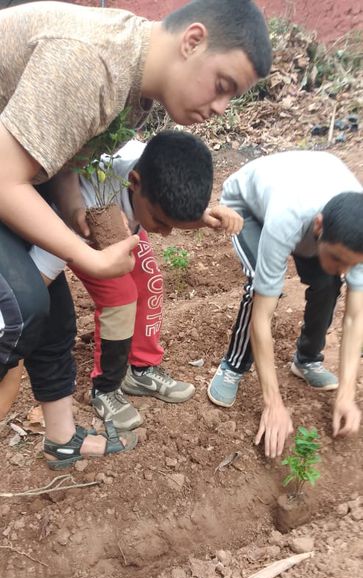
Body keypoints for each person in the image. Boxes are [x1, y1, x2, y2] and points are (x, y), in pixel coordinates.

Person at [0, 0, 272, 463]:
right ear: (192, 41)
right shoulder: (93, 64)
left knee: (53, 317)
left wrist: (68, 198)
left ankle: (62, 440)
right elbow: (5, 178)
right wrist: (88, 257)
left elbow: (61, 147)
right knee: (20, 309)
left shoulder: (136, 90)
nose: (221, 108)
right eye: (223, 85)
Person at [30, 131, 242, 433]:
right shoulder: (90, 203)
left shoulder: (154, 166)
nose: (166, 234)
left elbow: (167, 209)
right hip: (86, 230)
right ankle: (105, 388)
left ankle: (140, 370)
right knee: (121, 297)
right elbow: (36, 278)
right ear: (134, 182)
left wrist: (203, 217)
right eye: (161, 223)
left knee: (149, 280)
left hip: (124, 221)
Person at [207, 151, 363, 457]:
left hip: (305, 201)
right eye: (337, 258)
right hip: (248, 209)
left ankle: (307, 360)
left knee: (329, 281)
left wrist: (347, 394)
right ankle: (233, 366)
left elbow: (355, 318)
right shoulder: (287, 218)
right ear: (319, 227)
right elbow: (262, 318)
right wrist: (273, 403)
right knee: (260, 287)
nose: (344, 267)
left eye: (351, 264)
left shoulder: (356, 234)